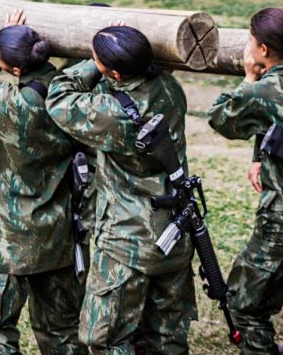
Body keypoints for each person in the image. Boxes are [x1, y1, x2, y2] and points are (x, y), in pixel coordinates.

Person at [46, 25, 197, 354]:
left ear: (113, 72)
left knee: (104, 339)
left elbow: (58, 98)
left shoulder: (112, 114)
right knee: (168, 337)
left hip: (127, 239)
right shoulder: (170, 88)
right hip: (175, 228)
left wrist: (91, 63)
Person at [0, 9, 86, 354]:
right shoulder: (73, 94)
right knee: (62, 331)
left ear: (15, 69)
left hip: (6, 239)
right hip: (57, 233)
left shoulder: (14, 106)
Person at [207, 8, 283, 354]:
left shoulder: (264, 90)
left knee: (244, 305)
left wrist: (248, 77)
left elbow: (221, 118)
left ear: (261, 49)